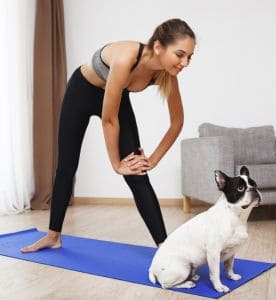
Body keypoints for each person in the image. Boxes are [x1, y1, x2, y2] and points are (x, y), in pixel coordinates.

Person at [21, 18, 196, 252]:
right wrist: (115, 163)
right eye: (180, 54)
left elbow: (177, 122)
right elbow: (109, 120)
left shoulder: (167, 75)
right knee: (66, 166)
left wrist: (153, 159)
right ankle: (53, 236)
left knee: (137, 170)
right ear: (158, 47)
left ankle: (164, 247)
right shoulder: (126, 58)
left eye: (189, 57)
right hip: (80, 93)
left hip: (116, 99)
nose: (185, 62)